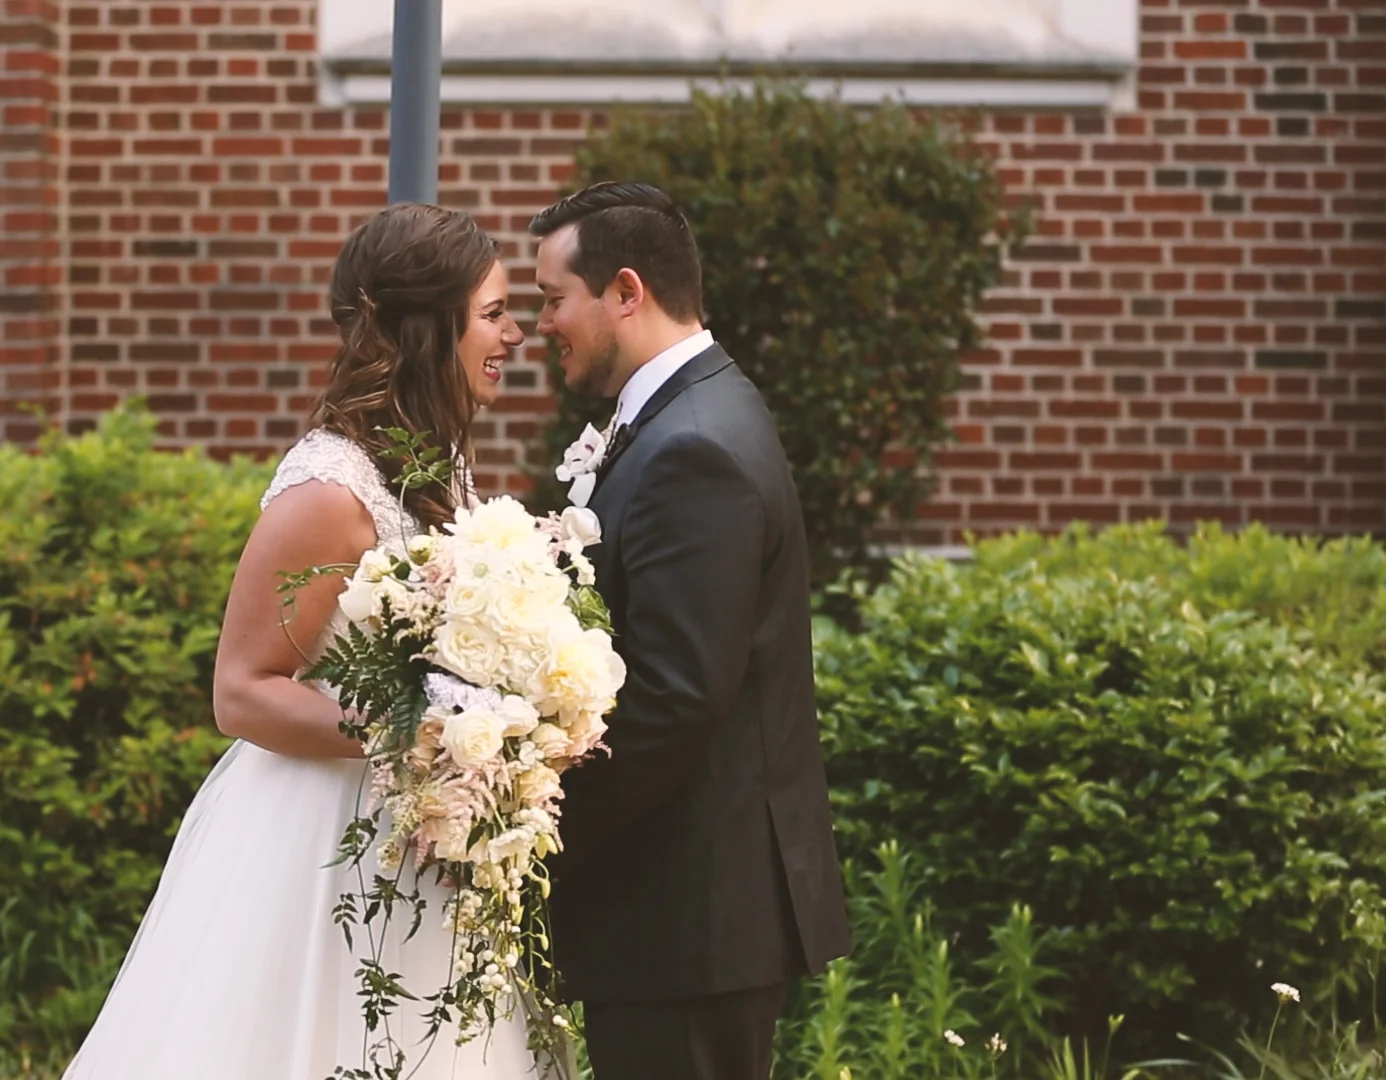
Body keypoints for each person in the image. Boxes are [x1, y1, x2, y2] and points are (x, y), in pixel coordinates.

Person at [62, 203, 540, 1078]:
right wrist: (414, 734)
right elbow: (241, 691)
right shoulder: (330, 492)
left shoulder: (440, 472)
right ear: (431, 325)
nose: (514, 333)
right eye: (495, 312)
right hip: (321, 846)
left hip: (425, 837)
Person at [531, 181, 852, 1080]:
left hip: (689, 920)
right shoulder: (685, 415)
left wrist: (532, 817)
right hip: (683, 920)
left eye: (554, 298)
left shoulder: (693, 446)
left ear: (624, 291)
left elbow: (674, 701)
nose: (542, 323)